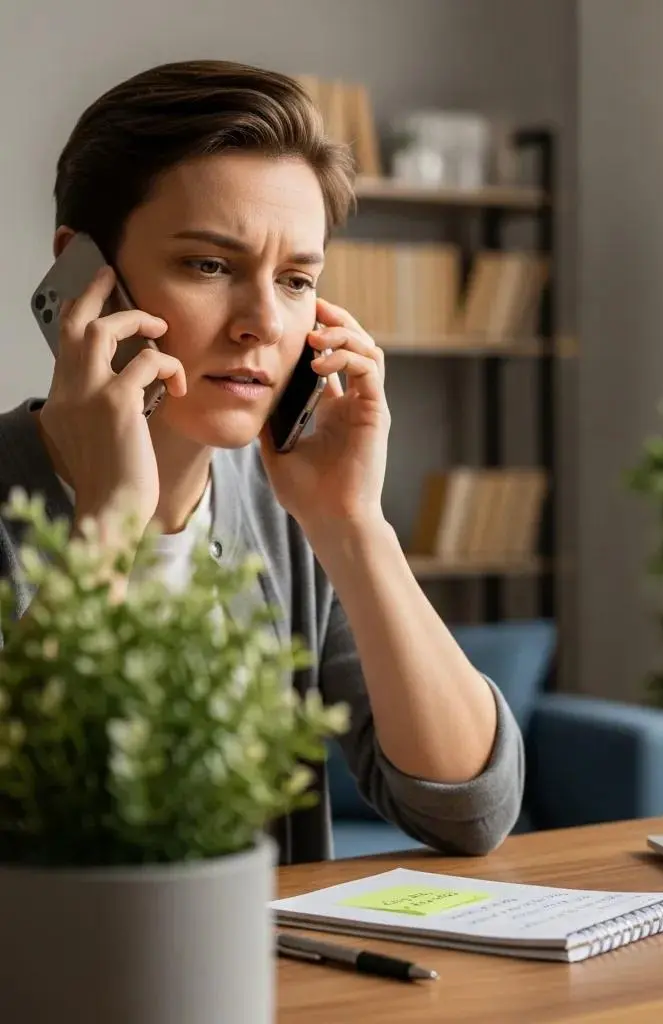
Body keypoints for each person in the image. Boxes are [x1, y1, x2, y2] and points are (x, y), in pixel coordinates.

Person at [0, 59, 525, 864]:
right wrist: (108, 521)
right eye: (209, 265)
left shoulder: (288, 515)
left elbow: (471, 809)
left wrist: (353, 525)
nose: (263, 324)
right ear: (82, 279)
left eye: (295, 280)